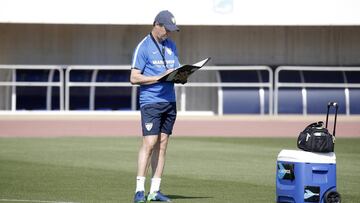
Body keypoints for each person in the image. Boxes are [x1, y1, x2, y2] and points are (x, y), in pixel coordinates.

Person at [130, 10, 186, 203]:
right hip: (151, 102)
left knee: (162, 146)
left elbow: (175, 70)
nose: (169, 33)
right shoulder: (143, 47)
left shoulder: (171, 45)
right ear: (157, 25)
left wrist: (182, 76)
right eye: (167, 29)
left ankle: (155, 191)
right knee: (149, 144)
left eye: (171, 30)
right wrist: (157, 78)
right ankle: (139, 190)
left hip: (169, 102)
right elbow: (133, 77)